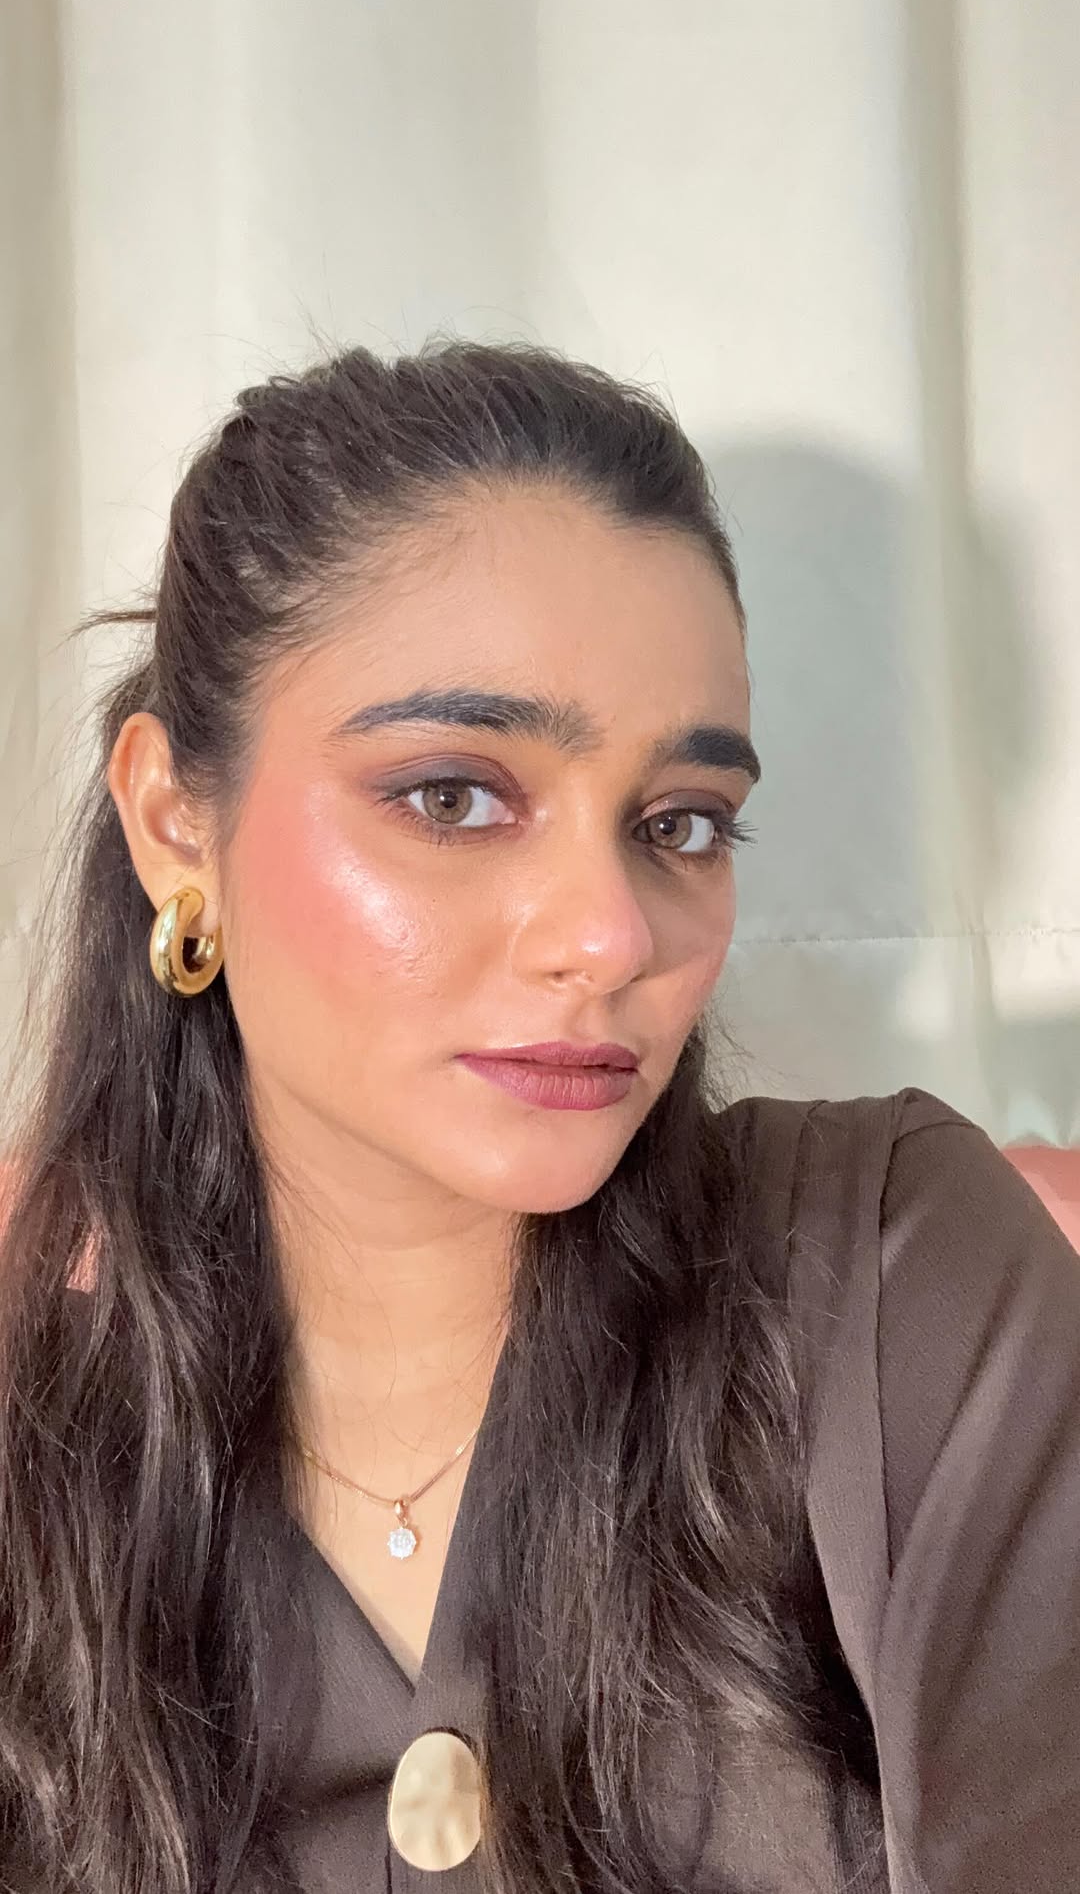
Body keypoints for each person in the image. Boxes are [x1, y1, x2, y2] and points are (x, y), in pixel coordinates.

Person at [0, 338, 1077, 1894]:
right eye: (452, 796)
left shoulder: (895, 1290)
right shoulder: (38, 1439)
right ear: (177, 823)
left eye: (680, 822)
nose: (611, 934)